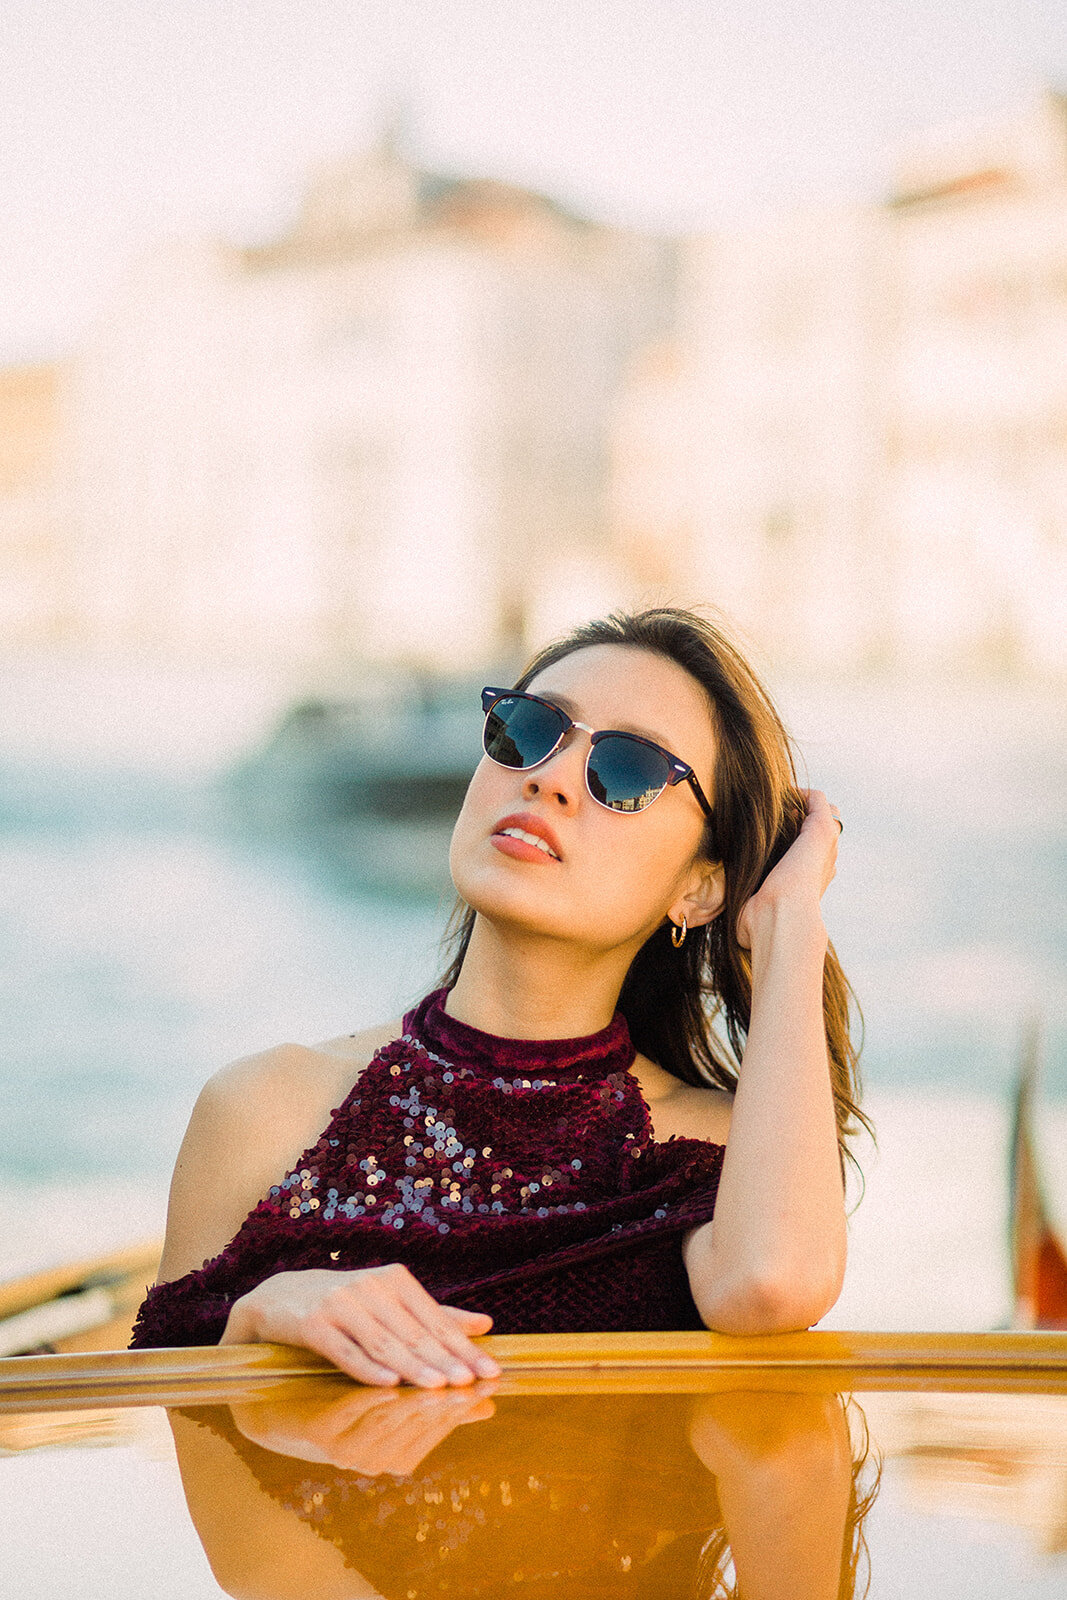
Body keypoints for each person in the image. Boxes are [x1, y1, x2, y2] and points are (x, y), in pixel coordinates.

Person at [131, 607, 866, 1386]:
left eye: (627, 771)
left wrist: (789, 926)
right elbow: (164, 1450)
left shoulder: (718, 1155)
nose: (546, 777)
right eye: (530, 729)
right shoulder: (260, 1108)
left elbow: (772, 1283)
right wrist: (261, 1317)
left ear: (700, 887)